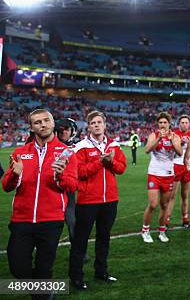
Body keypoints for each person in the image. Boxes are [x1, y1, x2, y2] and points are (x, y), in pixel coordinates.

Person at [2, 109, 77, 292]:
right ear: (32, 127)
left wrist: (60, 177)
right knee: (18, 269)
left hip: (51, 221)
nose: (42, 124)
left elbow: (72, 185)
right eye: (37, 122)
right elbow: (6, 186)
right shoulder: (20, 152)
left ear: (53, 123)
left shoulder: (66, 153)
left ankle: (44, 292)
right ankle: (45, 289)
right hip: (22, 220)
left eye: (46, 121)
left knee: (44, 269)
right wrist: (14, 174)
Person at [68, 111, 126, 290]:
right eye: (93, 123)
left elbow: (121, 168)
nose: (96, 125)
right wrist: (100, 162)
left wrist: (110, 163)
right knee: (80, 240)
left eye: (99, 122)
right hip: (87, 201)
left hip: (110, 199)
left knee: (104, 237)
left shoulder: (114, 145)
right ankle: (76, 278)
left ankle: (101, 272)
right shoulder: (81, 147)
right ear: (88, 126)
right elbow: (79, 172)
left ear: (105, 124)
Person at [141, 112, 182, 243]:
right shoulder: (154, 135)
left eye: (165, 122)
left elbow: (180, 152)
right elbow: (147, 150)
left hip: (168, 174)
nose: (163, 125)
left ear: (169, 124)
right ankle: (145, 230)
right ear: (158, 124)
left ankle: (162, 231)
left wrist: (170, 140)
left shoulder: (175, 136)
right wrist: (159, 139)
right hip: (154, 173)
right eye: (160, 123)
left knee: (164, 205)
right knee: (153, 204)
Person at [54, 118, 79, 249]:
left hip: (68, 191)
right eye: (61, 129)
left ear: (72, 131)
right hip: (51, 191)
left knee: (72, 221)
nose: (64, 132)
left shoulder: (76, 148)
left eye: (67, 129)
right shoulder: (49, 145)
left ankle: (78, 251)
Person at [166, 114, 190, 228]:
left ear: (189, 124)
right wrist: (182, 143)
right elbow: (173, 149)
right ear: (179, 124)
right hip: (176, 165)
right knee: (172, 195)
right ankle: (167, 219)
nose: (185, 124)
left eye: (186, 122)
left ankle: (185, 218)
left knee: (185, 195)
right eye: (182, 122)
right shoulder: (174, 134)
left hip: (188, 166)